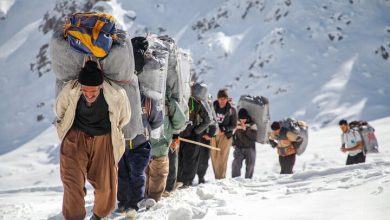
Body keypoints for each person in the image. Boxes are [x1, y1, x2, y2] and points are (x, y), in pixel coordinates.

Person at [54, 61, 131, 220]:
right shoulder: (71, 89)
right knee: (72, 183)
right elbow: (59, 110)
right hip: (75, 138)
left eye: (93, 91)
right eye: (85, 91)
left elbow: (124, 118)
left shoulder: (117, 95)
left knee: (105, 188)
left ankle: (98, 216)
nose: (89, 95)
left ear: (101, 86)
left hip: (103, 140)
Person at [116, 94, 163, 215]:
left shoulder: (148, 100)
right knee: (122, 175)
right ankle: (123, 204)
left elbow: (157, 120)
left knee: (137, 174)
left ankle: (134, 204)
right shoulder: (118, 97)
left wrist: (144, 133)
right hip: (122, 145)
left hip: (141, 146)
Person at [144, 95, 186, 204]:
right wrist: (172, 130)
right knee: (158, 173)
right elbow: (181, 121)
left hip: (142, 143)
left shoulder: (141, 96)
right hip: (161, 144)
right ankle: (153, 198)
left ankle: (144, 196)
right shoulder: (168, 101)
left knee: (144, 171)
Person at [177, 91, 212, 188]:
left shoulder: (196, 103)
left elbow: (208, 120)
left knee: (190, 160)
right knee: (179, 160)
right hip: (179, 137)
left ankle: (187, 182)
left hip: (192, 137)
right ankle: (179, 181)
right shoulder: (178, 100)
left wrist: (196, 131)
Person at [210, 89, 237, 179]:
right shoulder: (213, 107)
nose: (222, 101)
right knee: (214, 156)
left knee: (222, 156)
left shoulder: (231, 110)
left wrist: (224, 129)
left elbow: (234, 125)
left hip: (226, 136)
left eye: (224, 99)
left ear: (227, 99)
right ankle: (216, 176)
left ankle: (220, 178)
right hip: (214, 135)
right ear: (217, 99)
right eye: (220, 99)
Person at [231, 109, 258, 179]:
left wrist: (246, 129)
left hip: (250, 147)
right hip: (239, 147)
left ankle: (248, 180)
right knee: (236, 163)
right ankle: (235, 179)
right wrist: (233, 143)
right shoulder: (235, 123)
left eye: (244, 119)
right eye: (241, 119)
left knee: (250, 165)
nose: (243, 120)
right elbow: (232, 135)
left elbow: (254, 136)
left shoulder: (252, 124)